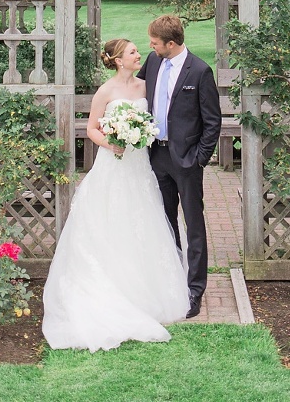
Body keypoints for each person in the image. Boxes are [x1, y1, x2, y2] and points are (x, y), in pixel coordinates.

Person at [42, 37, 189, 351]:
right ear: (119, 60)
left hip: (140, 169)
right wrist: (112, 143)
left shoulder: (145, 87)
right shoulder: (106, 91)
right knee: (110, 225)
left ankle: (143, 292)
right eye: (134, 52)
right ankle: (109, 288)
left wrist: (143, 133)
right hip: (113, 166)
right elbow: (92, 128)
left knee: (142, 224)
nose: (140, 55)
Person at [138, 15, 222, 318]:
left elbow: (212, 122)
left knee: (194, 225)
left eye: (155, 42)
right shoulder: (152, 61)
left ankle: (194, 289)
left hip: (186, 161)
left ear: (170, 44)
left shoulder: (199, 71)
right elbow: (138, 94)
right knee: (164, 222)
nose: (151, 46)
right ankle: (171, 282)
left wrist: (199, 158)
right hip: (156, 156)